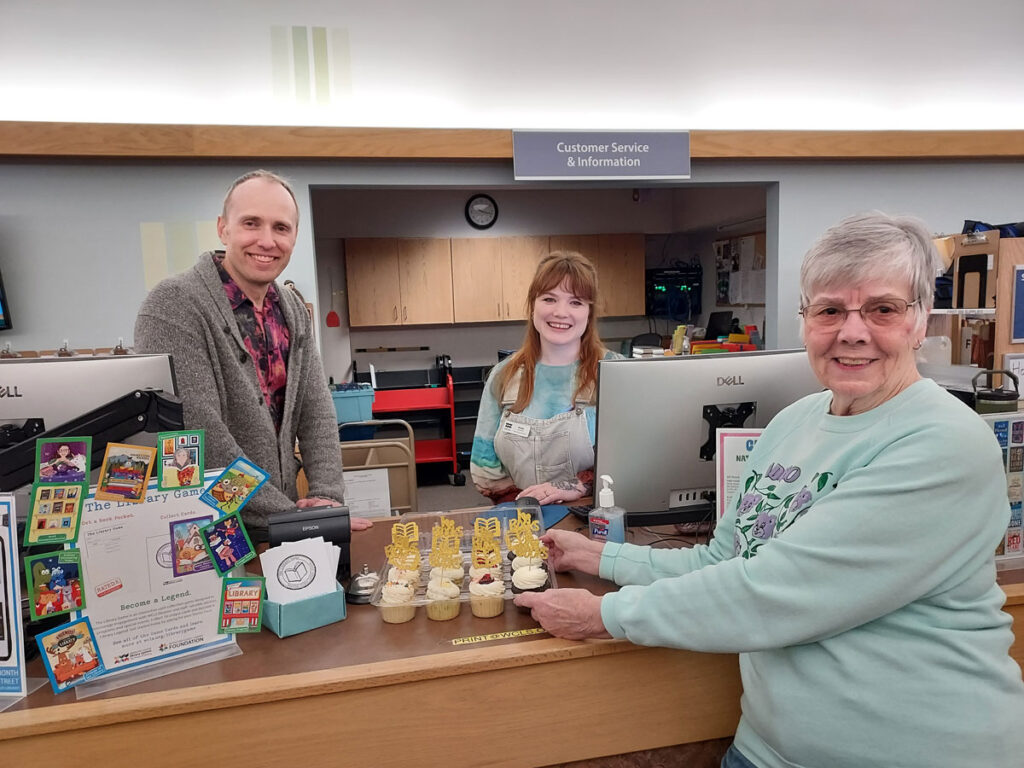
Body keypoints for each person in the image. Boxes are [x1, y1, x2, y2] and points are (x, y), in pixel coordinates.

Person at [515, 212, 1024, 768]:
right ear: (806, 320)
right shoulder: (793, 422)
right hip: (764, 750)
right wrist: (605, 556)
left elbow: (773, 591)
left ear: (921, 321)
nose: (852, 331)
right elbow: (725, 560)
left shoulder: (944, 443)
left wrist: (603, 616)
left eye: (883, 308)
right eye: (829, 310)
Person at [135, 170, 371, 533]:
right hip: (206, 531)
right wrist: (293, 518)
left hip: (280, 524)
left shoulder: (291, 308)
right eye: (251, 223)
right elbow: (198, 438)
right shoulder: (174, 305)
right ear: (222, 228)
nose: (266, 240)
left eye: (281, 227)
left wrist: (326, 497)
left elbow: (316, 413)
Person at [470, 251, 622, 506]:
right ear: (533, 306)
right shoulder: (503, 376)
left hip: (594, 518)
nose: (561, 312)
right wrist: (529, 508)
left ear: (589, 312)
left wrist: (578, 486)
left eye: (576, 302)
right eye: (549, 299)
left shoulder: (614, 373)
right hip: (523, 518)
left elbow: (636, 459)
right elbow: (484, 468)